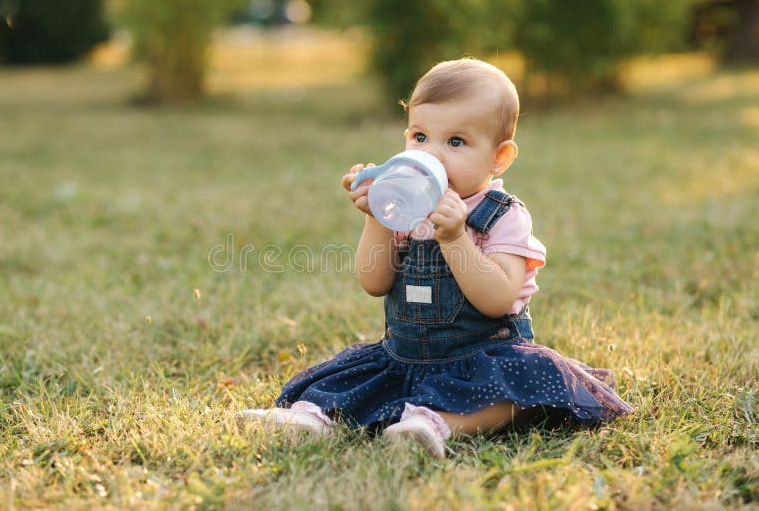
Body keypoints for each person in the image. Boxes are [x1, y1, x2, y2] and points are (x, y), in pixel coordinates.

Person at [238, 58, 633, 458]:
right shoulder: (405, 207)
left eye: (456, 142)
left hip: (481, 357)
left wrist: (456, 238)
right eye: (421, 137)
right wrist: (377, 215)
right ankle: (312, 418)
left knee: (519, 388)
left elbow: (497, 299)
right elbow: (374, 283)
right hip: (405, 357)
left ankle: (436, 425)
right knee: (356, 378)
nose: (434, 156)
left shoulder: (502, 215)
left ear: (500, 157)